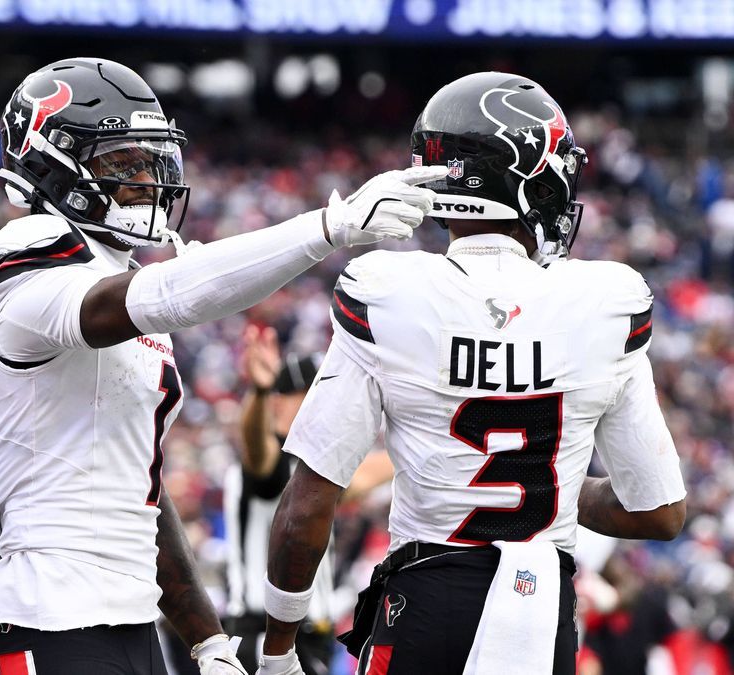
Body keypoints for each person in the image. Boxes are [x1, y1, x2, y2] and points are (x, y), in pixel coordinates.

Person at [0, 57, 445, 675]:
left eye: (149, 160)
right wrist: (330, 226)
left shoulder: (124, 277)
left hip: (129, 619)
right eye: (122, 163)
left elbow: (141, 490)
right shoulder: (29, 252)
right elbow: (170, 295)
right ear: (50, 160)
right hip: (48, 612)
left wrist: (207, 640)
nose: (145, 180)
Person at [255, 72, 688, 675]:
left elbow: (306, 508)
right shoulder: (605, 302)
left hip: (430, 600)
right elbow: (658, 511)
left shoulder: (390, 292)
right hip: (544, 612)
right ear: (526, 177)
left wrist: (277, 648)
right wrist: (549, 494)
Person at [224, 327, 393, 674]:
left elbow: (372, 471)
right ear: (278, 402)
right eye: (311, 393)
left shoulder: (317, 468)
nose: (323, 404)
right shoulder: (270, 462)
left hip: (311, 635)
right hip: (262, 634)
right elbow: (257, 453)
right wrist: (259, 392)